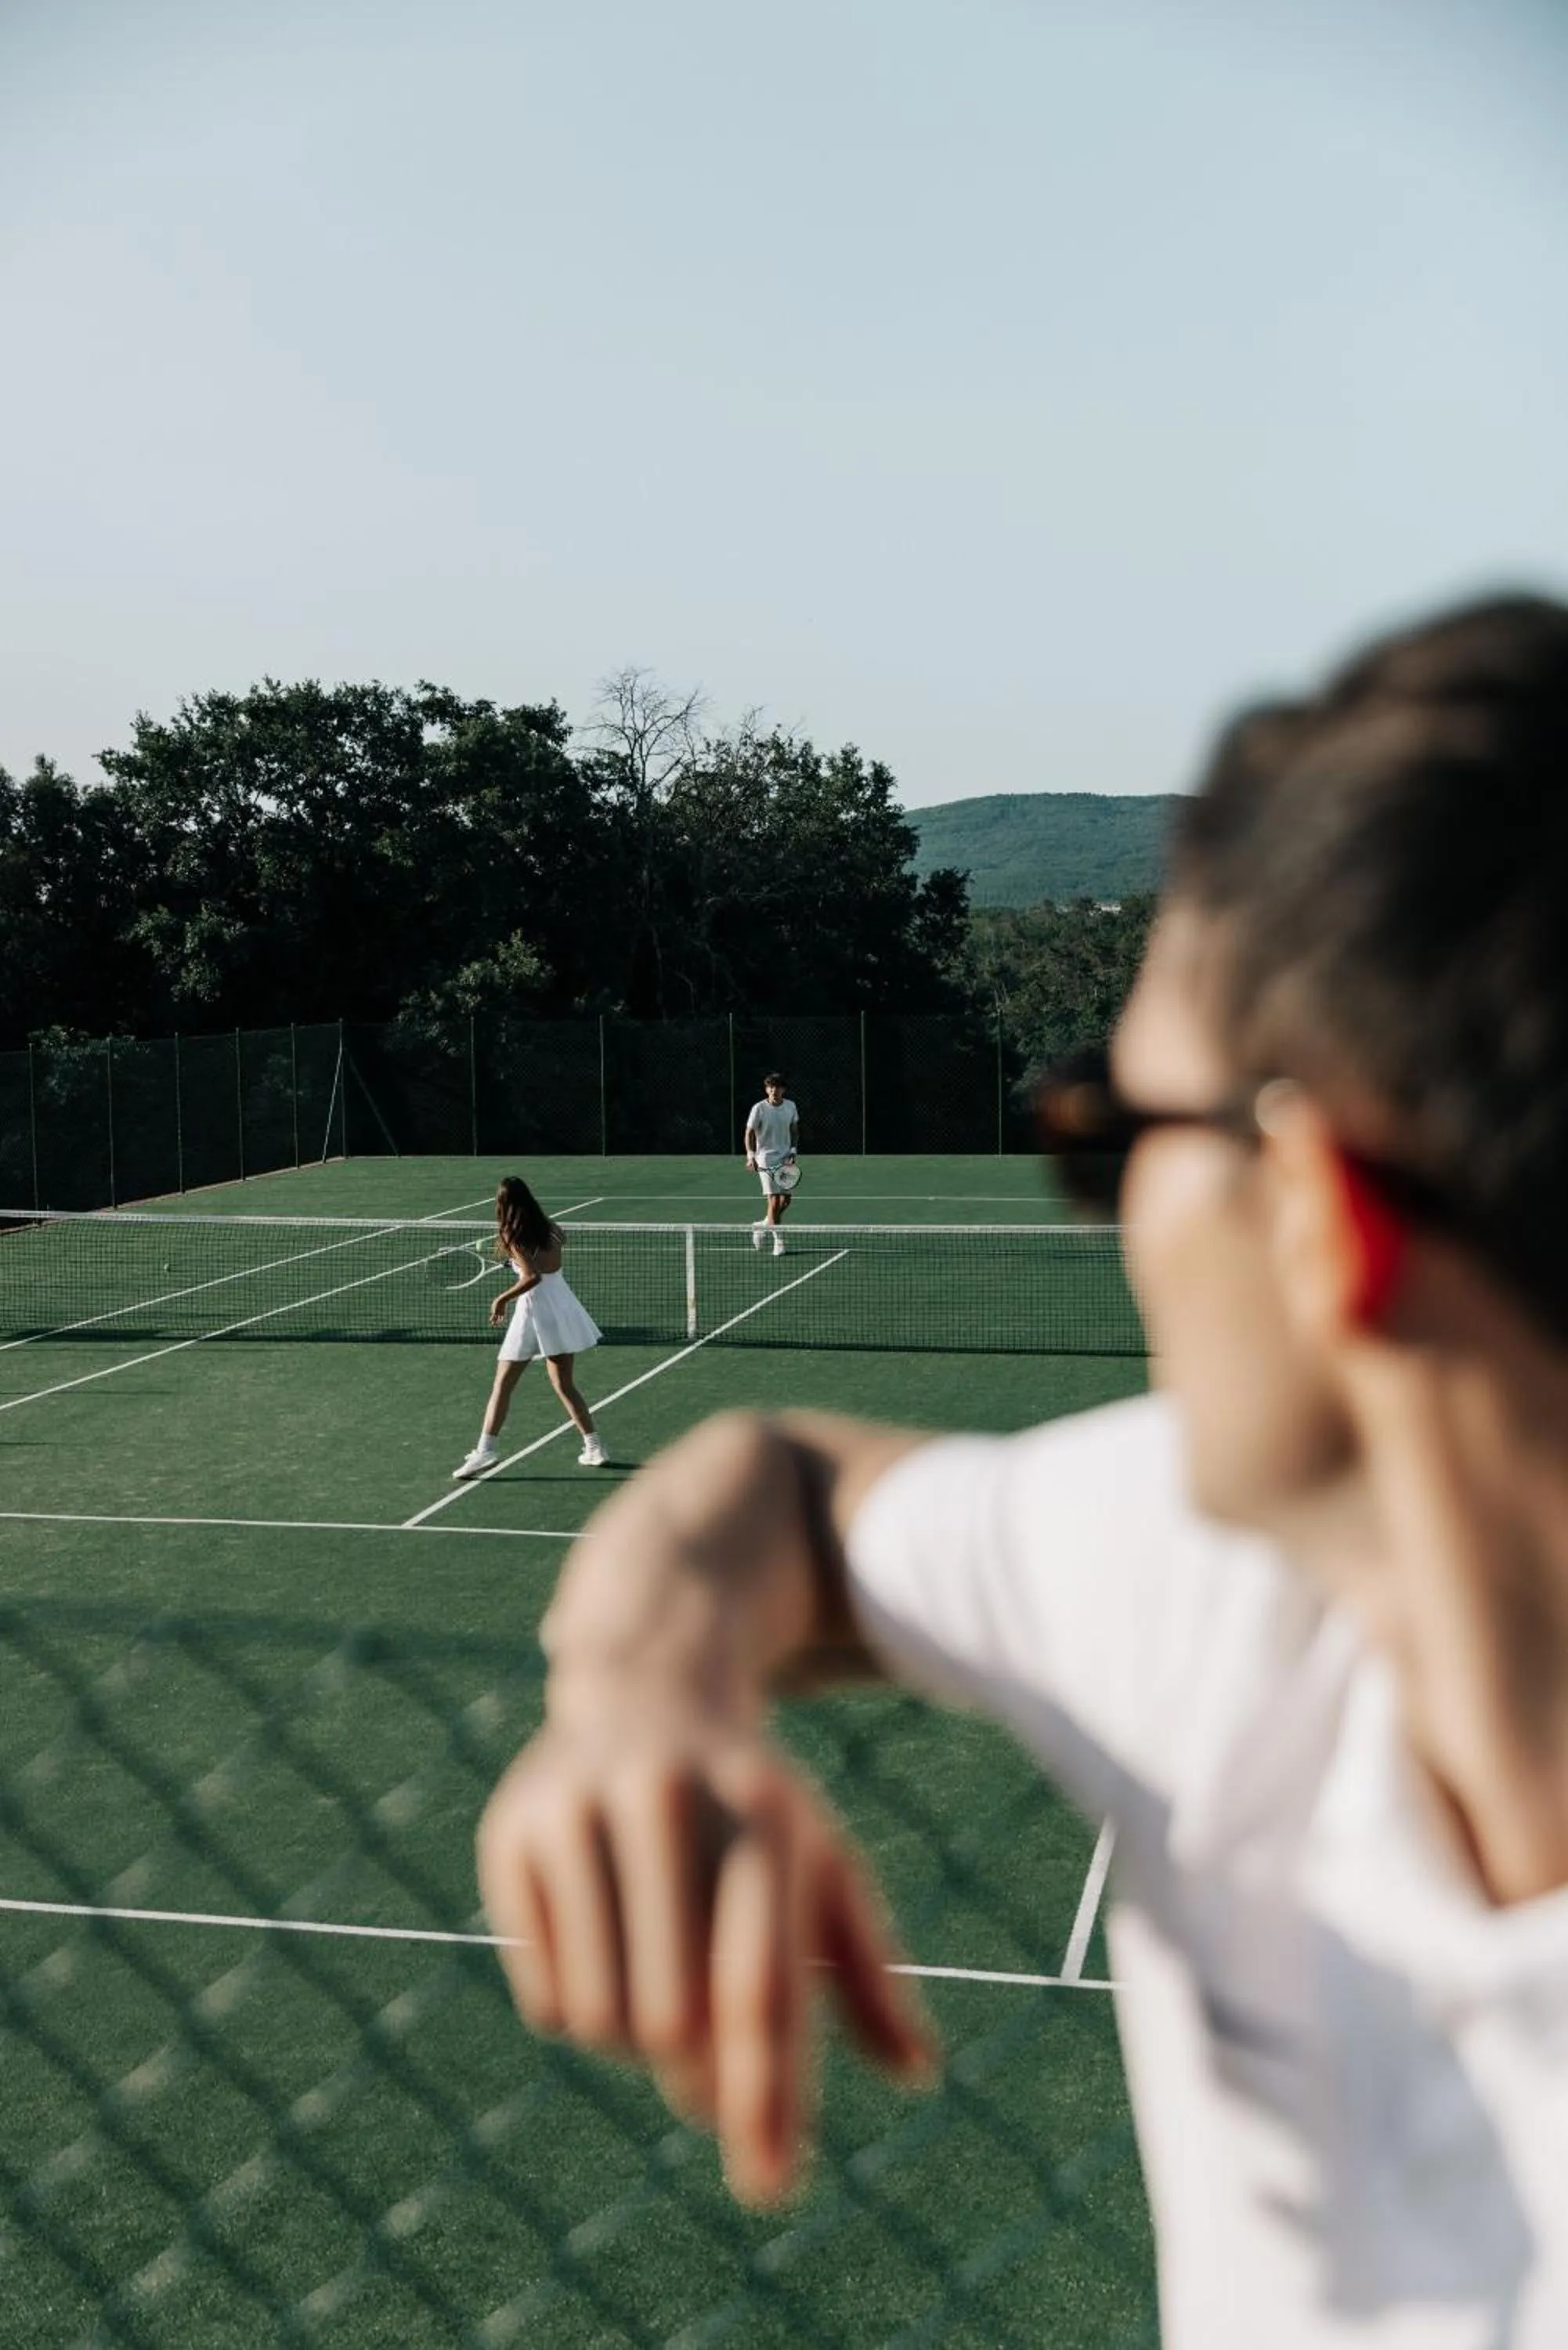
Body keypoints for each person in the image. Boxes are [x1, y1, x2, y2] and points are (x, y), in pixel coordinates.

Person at [476, 595, 1568, 2348]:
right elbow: (780, 1494)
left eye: (1113, 1138)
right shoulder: (1227, 1570)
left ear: (1318, 1218)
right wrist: (642, 1695)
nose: (1109, 1210)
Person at [453, 1175, 606, 1477]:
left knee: (503, 1384)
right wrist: (516, 1263)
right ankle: (594, 1447)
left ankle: (485, 1452)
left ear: (503, 1204)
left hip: (535, 1311)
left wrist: (501, 1299)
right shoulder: (549, 1227)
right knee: (564, 1384)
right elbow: (560, 1243)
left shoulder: (512, 1233)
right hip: (562, 1305)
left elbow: (533, 1277)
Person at [744, 1072, 799, 1256]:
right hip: (765, 1158)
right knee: (774, 1200)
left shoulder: (791, 1106)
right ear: (767, 1089)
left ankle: (762, 1226)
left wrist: (792, 1151)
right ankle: (779, 1241)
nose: (773, 1090)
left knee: (786, 1200)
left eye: (777, 1087)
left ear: (783, 1089)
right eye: (770, 1087)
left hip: (785, 1158)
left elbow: (794, 1130)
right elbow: (749, 1133)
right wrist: (751, 1155)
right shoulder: (759, 1108)